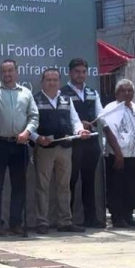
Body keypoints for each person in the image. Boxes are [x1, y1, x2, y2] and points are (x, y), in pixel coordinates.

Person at [31, 68, 89, 234]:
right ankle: (42, 222)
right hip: (44, 148)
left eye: (55, 80)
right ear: (42, 82)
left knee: (64, 186)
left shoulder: (66, 99)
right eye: (48, 80)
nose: (52, 83)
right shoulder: (36, 99)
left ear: (59, 82)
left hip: (65, 147)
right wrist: (37, 138)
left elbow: (75, 120)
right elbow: (29, 124)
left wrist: (80, 131)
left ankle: (65, 221)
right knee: (42, 186)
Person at [0, 59, 39, 236]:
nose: (7, 74)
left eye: (10, 71)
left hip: (20, 143)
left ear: (17, 72)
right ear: (0, 73)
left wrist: (27, 133)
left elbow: (34, 117)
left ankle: (16, 223)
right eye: (4, 71)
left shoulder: (26, 93)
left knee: (19, 186)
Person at [61, 58, 105, 228]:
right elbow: (64, 117)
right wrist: (79, 125)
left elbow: (101, 114)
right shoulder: (63, 92)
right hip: (74, 142)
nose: (80, 75)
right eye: (77, 71)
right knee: (70, 180)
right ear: (70, 73)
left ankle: (91, 218)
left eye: (83, 72)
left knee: (89, 180)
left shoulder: (93, 92)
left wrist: (94, 122)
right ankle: (68, 219)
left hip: (92, 141)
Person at [103, 79, 135, 228]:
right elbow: (108, 131)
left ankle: (128, 216)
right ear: (116, 93)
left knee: (133, 187)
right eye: (123, 90)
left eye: (130, 91)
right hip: (119, 155)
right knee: (117, 188)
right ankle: (117, 218)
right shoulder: (112, 108)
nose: (127, 93)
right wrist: (118, 153)